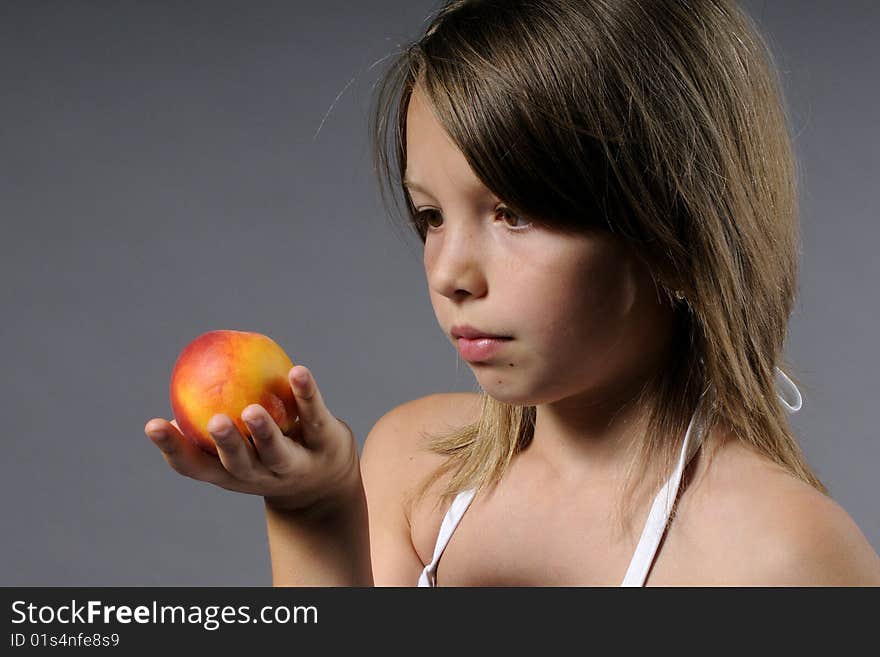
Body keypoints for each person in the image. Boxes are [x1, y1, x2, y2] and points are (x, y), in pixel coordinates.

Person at [144, 0, 880, 586]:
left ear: (677, 237)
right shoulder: (412, 468)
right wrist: (312, 507)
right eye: (430, 216)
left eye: (515, 213)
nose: (450, 273)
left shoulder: (783, 559)